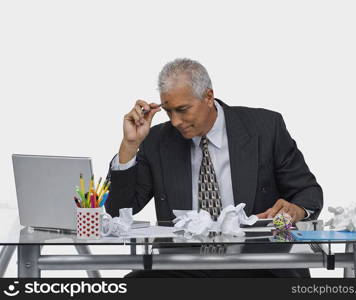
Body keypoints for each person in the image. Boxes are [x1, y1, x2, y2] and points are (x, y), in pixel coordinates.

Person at [105, 58, 323, 277]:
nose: (175, 121)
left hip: (259, 264)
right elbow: (119, 210)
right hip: (182, 267)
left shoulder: (265, 128)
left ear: (208, 97)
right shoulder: (157, 140)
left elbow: (308, 192)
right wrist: (130, 146)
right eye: (169, 111)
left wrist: (297, 210)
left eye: (183, 110)